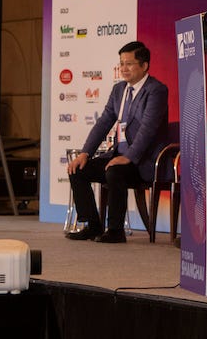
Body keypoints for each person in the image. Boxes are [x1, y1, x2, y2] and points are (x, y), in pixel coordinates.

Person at [66, 41, 169, 243]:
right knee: (78, 170)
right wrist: (86, 153)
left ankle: (115, 231)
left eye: (129, 64)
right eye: (121, 63)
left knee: (114, 172)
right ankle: (93, 226)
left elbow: (148, 129)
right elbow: (104, 122)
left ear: (144, 65)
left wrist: (128, 157)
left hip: (143, 160)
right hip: (118, 155)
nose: (123, 68)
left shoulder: (156, 90)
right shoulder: (119, 90)